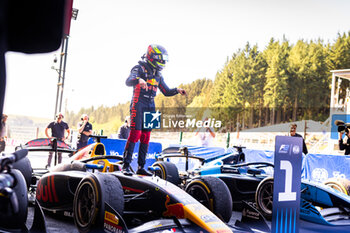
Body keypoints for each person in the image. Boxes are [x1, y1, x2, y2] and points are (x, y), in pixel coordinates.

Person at [122, 44, 186, 176]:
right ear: (153, 57)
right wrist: (139, 79)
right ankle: (126, 165)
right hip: (138, 103)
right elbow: (128, 81)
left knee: (146, 137)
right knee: (136, 134)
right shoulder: (139, 67)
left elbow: (166, 91)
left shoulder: (159, 74)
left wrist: (177, 90)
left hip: (151, 106)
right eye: (161, 59)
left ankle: (141, 167)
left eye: (164, 60)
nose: (162, 63)